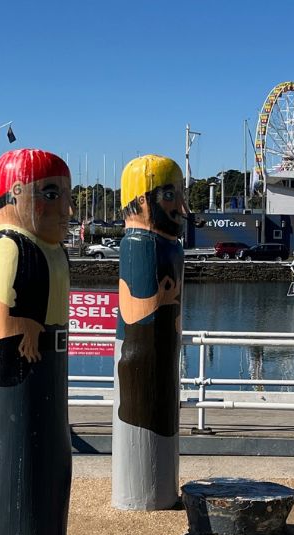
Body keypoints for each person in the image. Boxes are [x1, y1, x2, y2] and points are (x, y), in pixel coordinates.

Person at [0, 148, 73, 535]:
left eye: (66, 196)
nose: (66, 209)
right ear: (15, 194)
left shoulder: (52, 249)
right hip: (20, 375)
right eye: (51, 194)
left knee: (54, 462)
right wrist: (28, 325)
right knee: (21, 462)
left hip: (51, 367)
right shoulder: (10, 247)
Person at [112, 154, 188, 510]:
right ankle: (140, 492)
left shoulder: (171, 246)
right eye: (170, 195)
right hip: (140, 360)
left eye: (180, 195)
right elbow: (130, 309)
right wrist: (165, 300)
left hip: (164, 357)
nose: (182, 207)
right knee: (144, 422)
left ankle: (159, 489)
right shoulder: (138, 244)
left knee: (163, 417)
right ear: (142, 201)